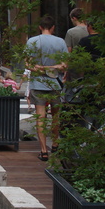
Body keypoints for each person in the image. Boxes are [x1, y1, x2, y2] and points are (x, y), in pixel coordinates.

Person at [25, 15, 68, 161]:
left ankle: (44, 150)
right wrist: (52, 68)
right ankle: (55, 144)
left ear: (40, 27)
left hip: (38, 83)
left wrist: (40, 68)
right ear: (53, 27)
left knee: (40, 116)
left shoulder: (32, 41)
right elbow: (65, 65)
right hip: (55, 83)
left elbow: (27, 64)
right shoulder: (60, 42)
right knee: (56, 116)